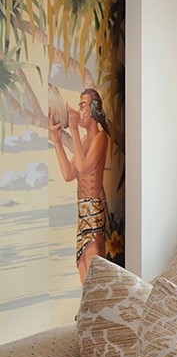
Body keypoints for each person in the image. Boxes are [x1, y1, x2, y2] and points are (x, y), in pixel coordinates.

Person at [48, 88, 110, 283]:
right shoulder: (84, 141)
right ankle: (88, 313)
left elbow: (83, 167)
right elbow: (68, 173)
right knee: (82, 264)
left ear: (93, 110)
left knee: (93, 266)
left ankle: (96, 311)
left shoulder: (100, 138)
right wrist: (57, 141)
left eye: (82, 105)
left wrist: (73, 129)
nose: (78, 110)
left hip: (93, 209)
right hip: (82, 211)